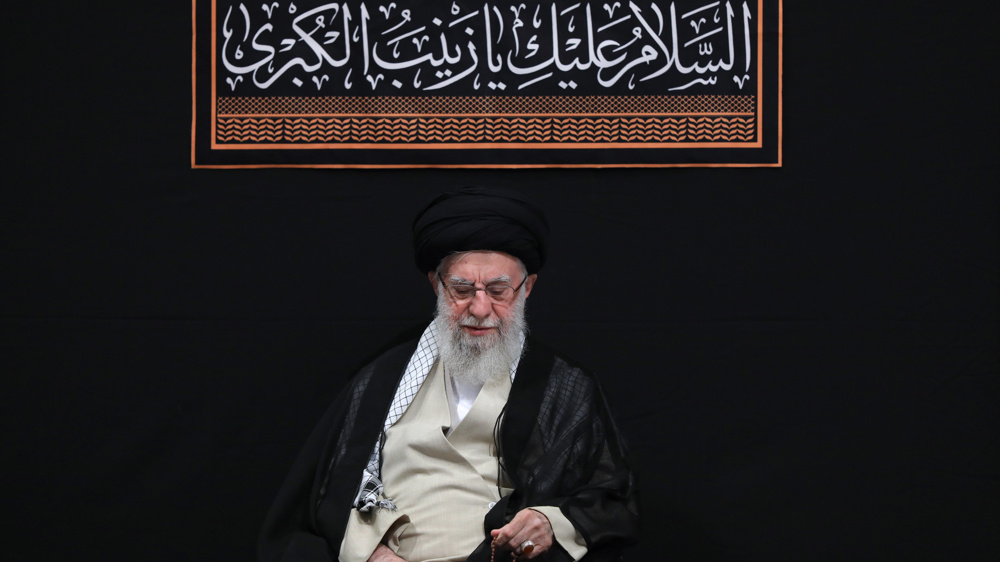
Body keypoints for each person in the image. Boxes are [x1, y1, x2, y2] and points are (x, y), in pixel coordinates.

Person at [259, 187, 639, 562]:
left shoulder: (564, 387)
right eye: (461, 289)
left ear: (528, 288)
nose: (479, 307)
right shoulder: (382, 380)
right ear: (436, 284)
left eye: (497, 290)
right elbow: (331, 490)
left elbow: (612, 498)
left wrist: (548, 520)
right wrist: (371, 553)